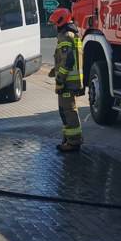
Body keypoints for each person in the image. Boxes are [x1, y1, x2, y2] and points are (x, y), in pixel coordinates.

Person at [47, 8, 84, 152]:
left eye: (55, 24)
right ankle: (68, 138)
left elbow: (68, 61)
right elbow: (66, 59)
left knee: (68, 111)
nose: (54, 27)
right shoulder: (71, 34)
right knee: (65, 110)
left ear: (60, 22)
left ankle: (73, 142)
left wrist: (60, 80)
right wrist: (54, 71)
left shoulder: (66, 36)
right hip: (71, 81)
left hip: (68, 82)